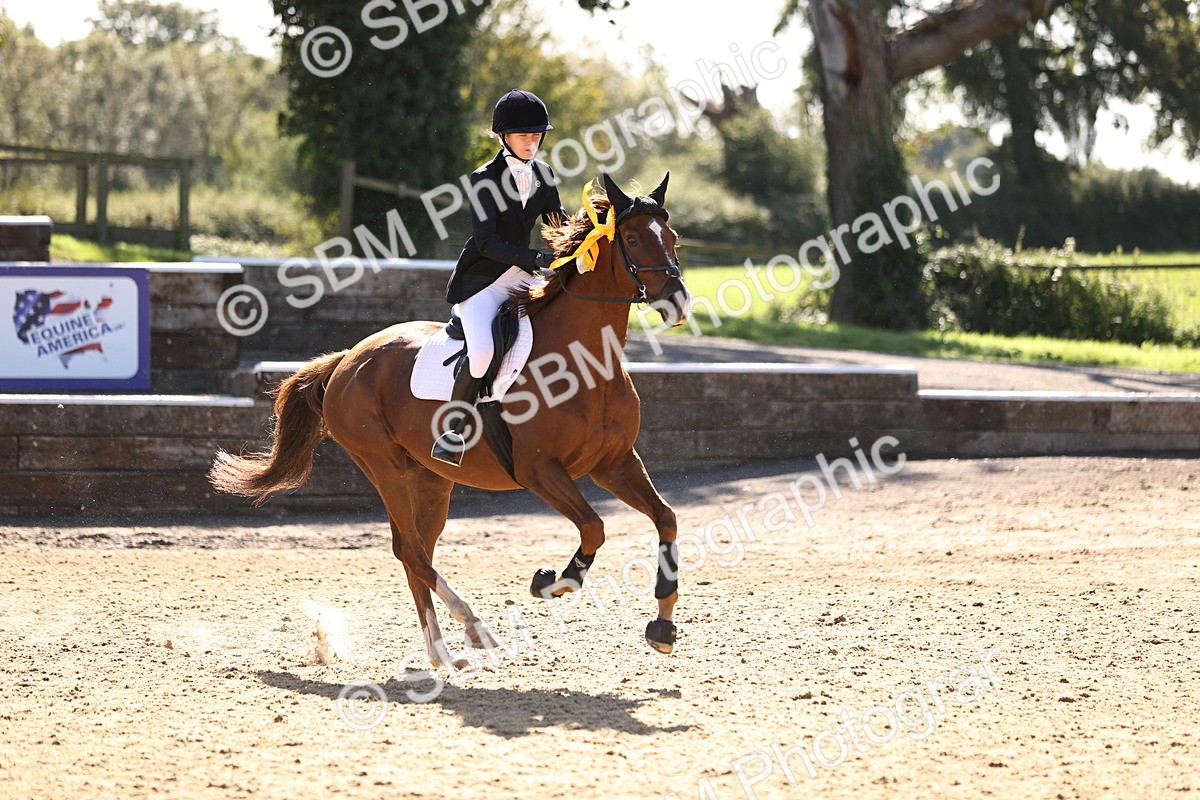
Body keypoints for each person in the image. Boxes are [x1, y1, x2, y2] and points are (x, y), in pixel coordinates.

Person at [432, 89, 568, 466]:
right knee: (483, 353)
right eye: (524, 135)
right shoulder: (483, 179)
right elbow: (487, 242)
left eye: (537, 135)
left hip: (522, 279)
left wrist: (584, 239)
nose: (532, 141)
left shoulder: (543, 174)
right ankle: (452, 430)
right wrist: (537, 257)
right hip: (482, 282)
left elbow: (557, 223)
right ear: (504, 136)